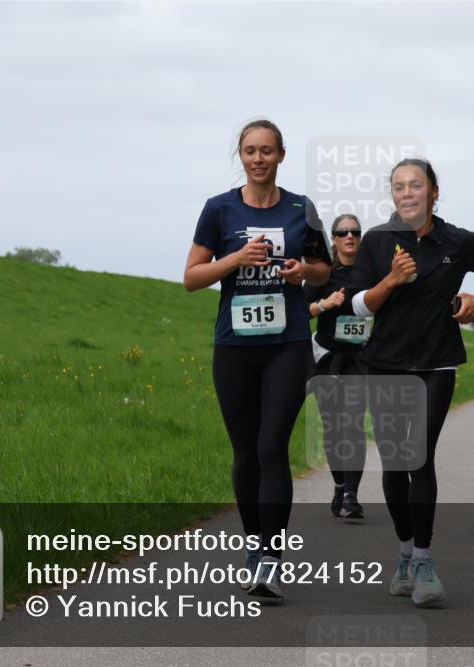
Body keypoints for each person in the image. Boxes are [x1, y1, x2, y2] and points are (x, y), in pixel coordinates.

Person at [349, 158, 474, 606]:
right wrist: (391, 280)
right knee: (394, 462)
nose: (407, 193)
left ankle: (423, 559)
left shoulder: (456, 240)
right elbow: (359, 306)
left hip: (436, 364)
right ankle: (404, 553)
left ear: (433, 192)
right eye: (399, 186)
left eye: (415, 185)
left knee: (419, 457)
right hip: (384, 364)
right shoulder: (377, 241)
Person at [184, 119, 332, 599]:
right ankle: (254, 544)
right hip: (235, 347)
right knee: (246, 452)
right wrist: (236, 259)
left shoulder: (301, 208)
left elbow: (324, 268)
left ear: (281, 155)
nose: (258, 158)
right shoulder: (219, 208)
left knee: (272, 448)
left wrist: (302, 271)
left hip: (288, 344)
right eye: (250, 150)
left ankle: (271, 557)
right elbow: (191, 277)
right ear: (241, 156)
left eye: (267, 150)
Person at [304, 214, 368, 520]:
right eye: (343, 232)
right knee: (333, 426)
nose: (349, 236)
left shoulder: (372, 272)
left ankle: (351, 496)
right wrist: (323, 305)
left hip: (360, 359)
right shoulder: (322, 275)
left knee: (353, 422)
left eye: (355, 231)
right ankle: (340, 486)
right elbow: (298, 311)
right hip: (328, 357)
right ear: (333, 239)